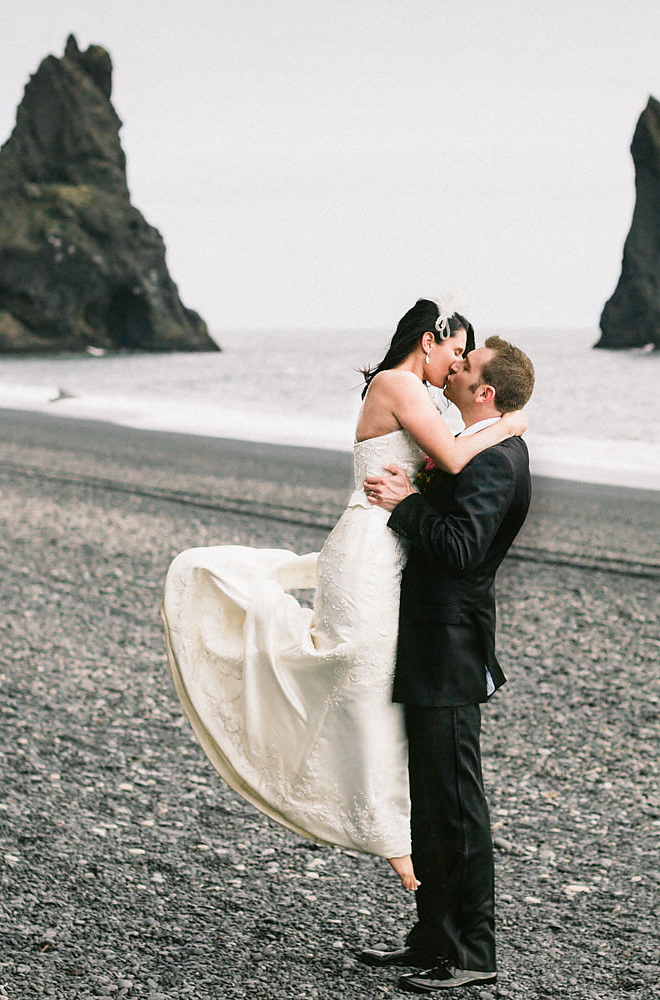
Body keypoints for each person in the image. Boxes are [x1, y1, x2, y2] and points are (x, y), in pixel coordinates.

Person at [160, 299, 525, 892]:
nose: (456, 366)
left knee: (371, 688)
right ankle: (392, 841)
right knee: (357, 680)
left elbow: (438, 468)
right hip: (370, 550)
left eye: (465, 360)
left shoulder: (422, 395)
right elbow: (456, 457)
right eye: (455, 352)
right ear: (429, 340)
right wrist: (509, 425)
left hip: (392, 546)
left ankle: (395, 833)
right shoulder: (398, 384)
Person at [359, 335, 535, 992]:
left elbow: (461, 548)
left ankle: (474, 953)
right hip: (431, 643)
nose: (454, 366)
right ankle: (432, 937)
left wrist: (403, 504)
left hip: (452, 648)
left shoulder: (495, 461)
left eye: (467, 365)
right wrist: (416, 492)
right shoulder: (481, 446)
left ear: (484, 393)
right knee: (432, 804)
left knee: (457, 805)